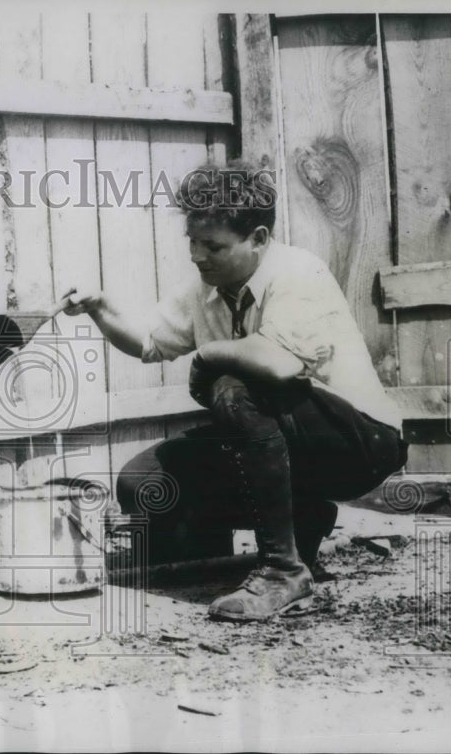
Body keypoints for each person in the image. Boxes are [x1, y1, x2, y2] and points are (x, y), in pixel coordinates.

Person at [63, 160, 408, 621]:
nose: (196, 255)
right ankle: (301, 521)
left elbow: (279, 364)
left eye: (213, 246)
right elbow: (148, 340)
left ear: (259, 239)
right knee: (144, 481)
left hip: (362, 444)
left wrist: (207, 357)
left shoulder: (298, 273)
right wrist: (99, 307)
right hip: (291, 444)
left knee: (235, 388)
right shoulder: (208, 289)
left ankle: (283, 571)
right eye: (192, 241)